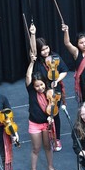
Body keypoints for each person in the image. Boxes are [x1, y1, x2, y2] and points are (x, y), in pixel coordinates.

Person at [29, 24, 69, 152]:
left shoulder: (55, 57)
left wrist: (56, 80)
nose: (45, 51)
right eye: (42, 50)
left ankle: (57, 138)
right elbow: (33, 50)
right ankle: (47, 137)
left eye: (46, 48)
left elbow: (64, 71)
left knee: (54, 114)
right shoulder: (37, 61)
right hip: (41, 89)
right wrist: (33, 34)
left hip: (54, 90)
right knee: (44, 114)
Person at [26, 54, 59, 170]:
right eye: (37, 86)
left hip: (47, 124)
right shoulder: (31, 91)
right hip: (34, 124)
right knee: (36, 148)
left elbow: (54, 107)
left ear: (45, 83)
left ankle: (50, 166)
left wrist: (51, 117)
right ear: (33, 87)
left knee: (48, 146)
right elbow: (28, 76)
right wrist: (31, 63)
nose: (40, 88)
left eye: (41, 85)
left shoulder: (49, 92)